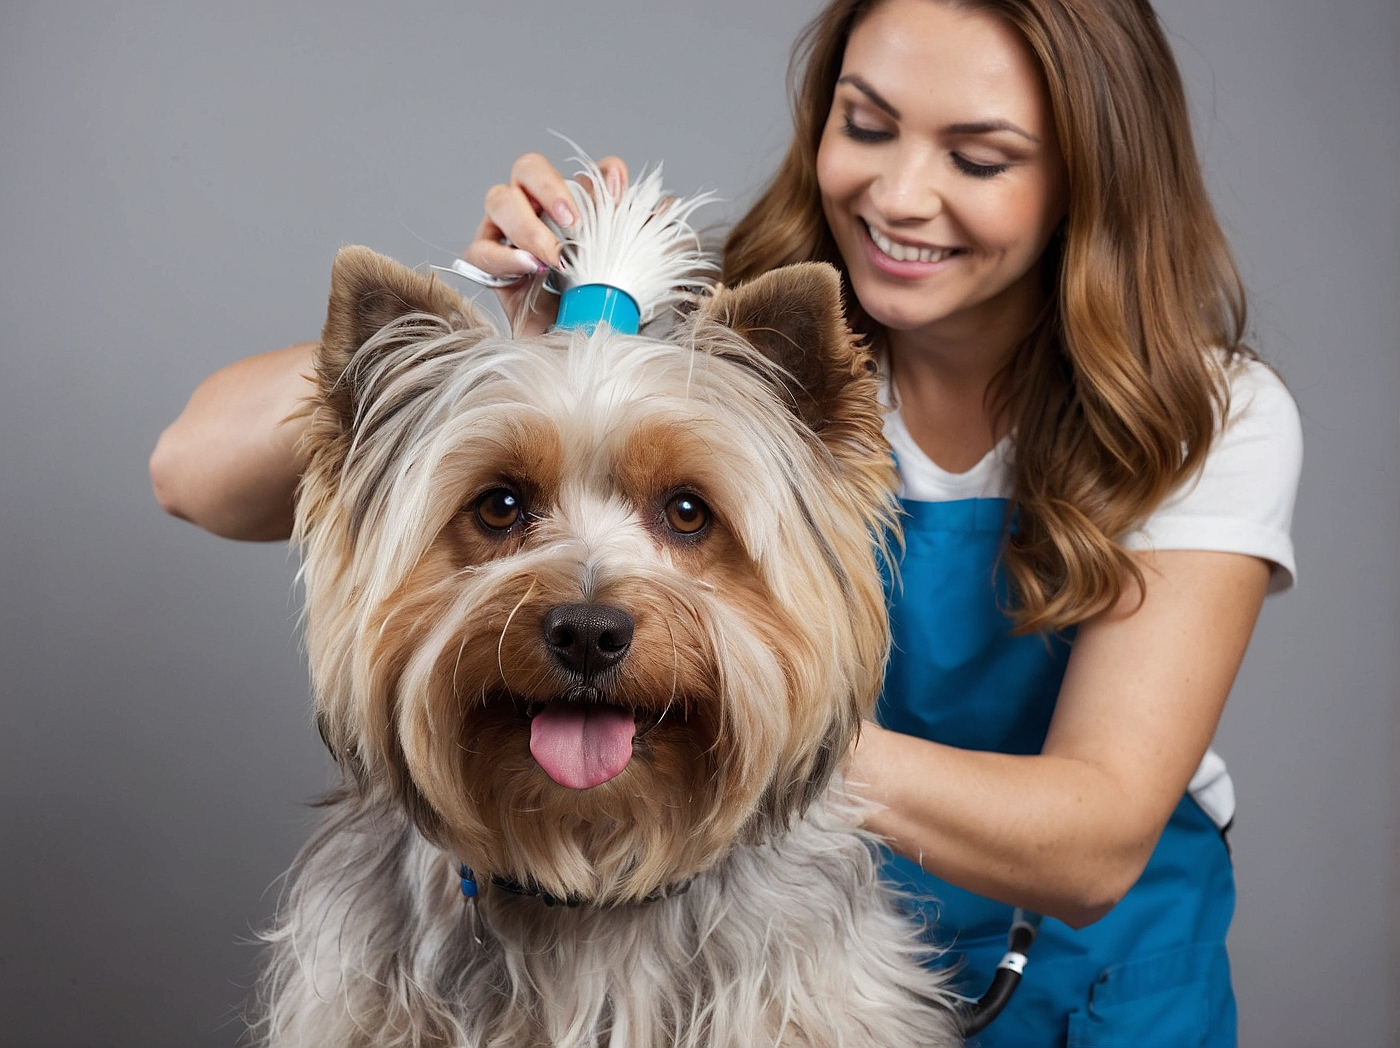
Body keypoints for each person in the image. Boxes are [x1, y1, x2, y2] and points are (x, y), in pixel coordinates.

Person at [149, 0, 1301, 1043]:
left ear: (1088, 178)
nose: (899, 195)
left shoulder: (1198, 413)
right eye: (866, 124)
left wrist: (759, 722)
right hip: (700, 921)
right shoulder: (701, 335)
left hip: (1071, 988)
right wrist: (476, 354)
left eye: (977, 156)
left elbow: (1093, 838)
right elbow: (193, 473)